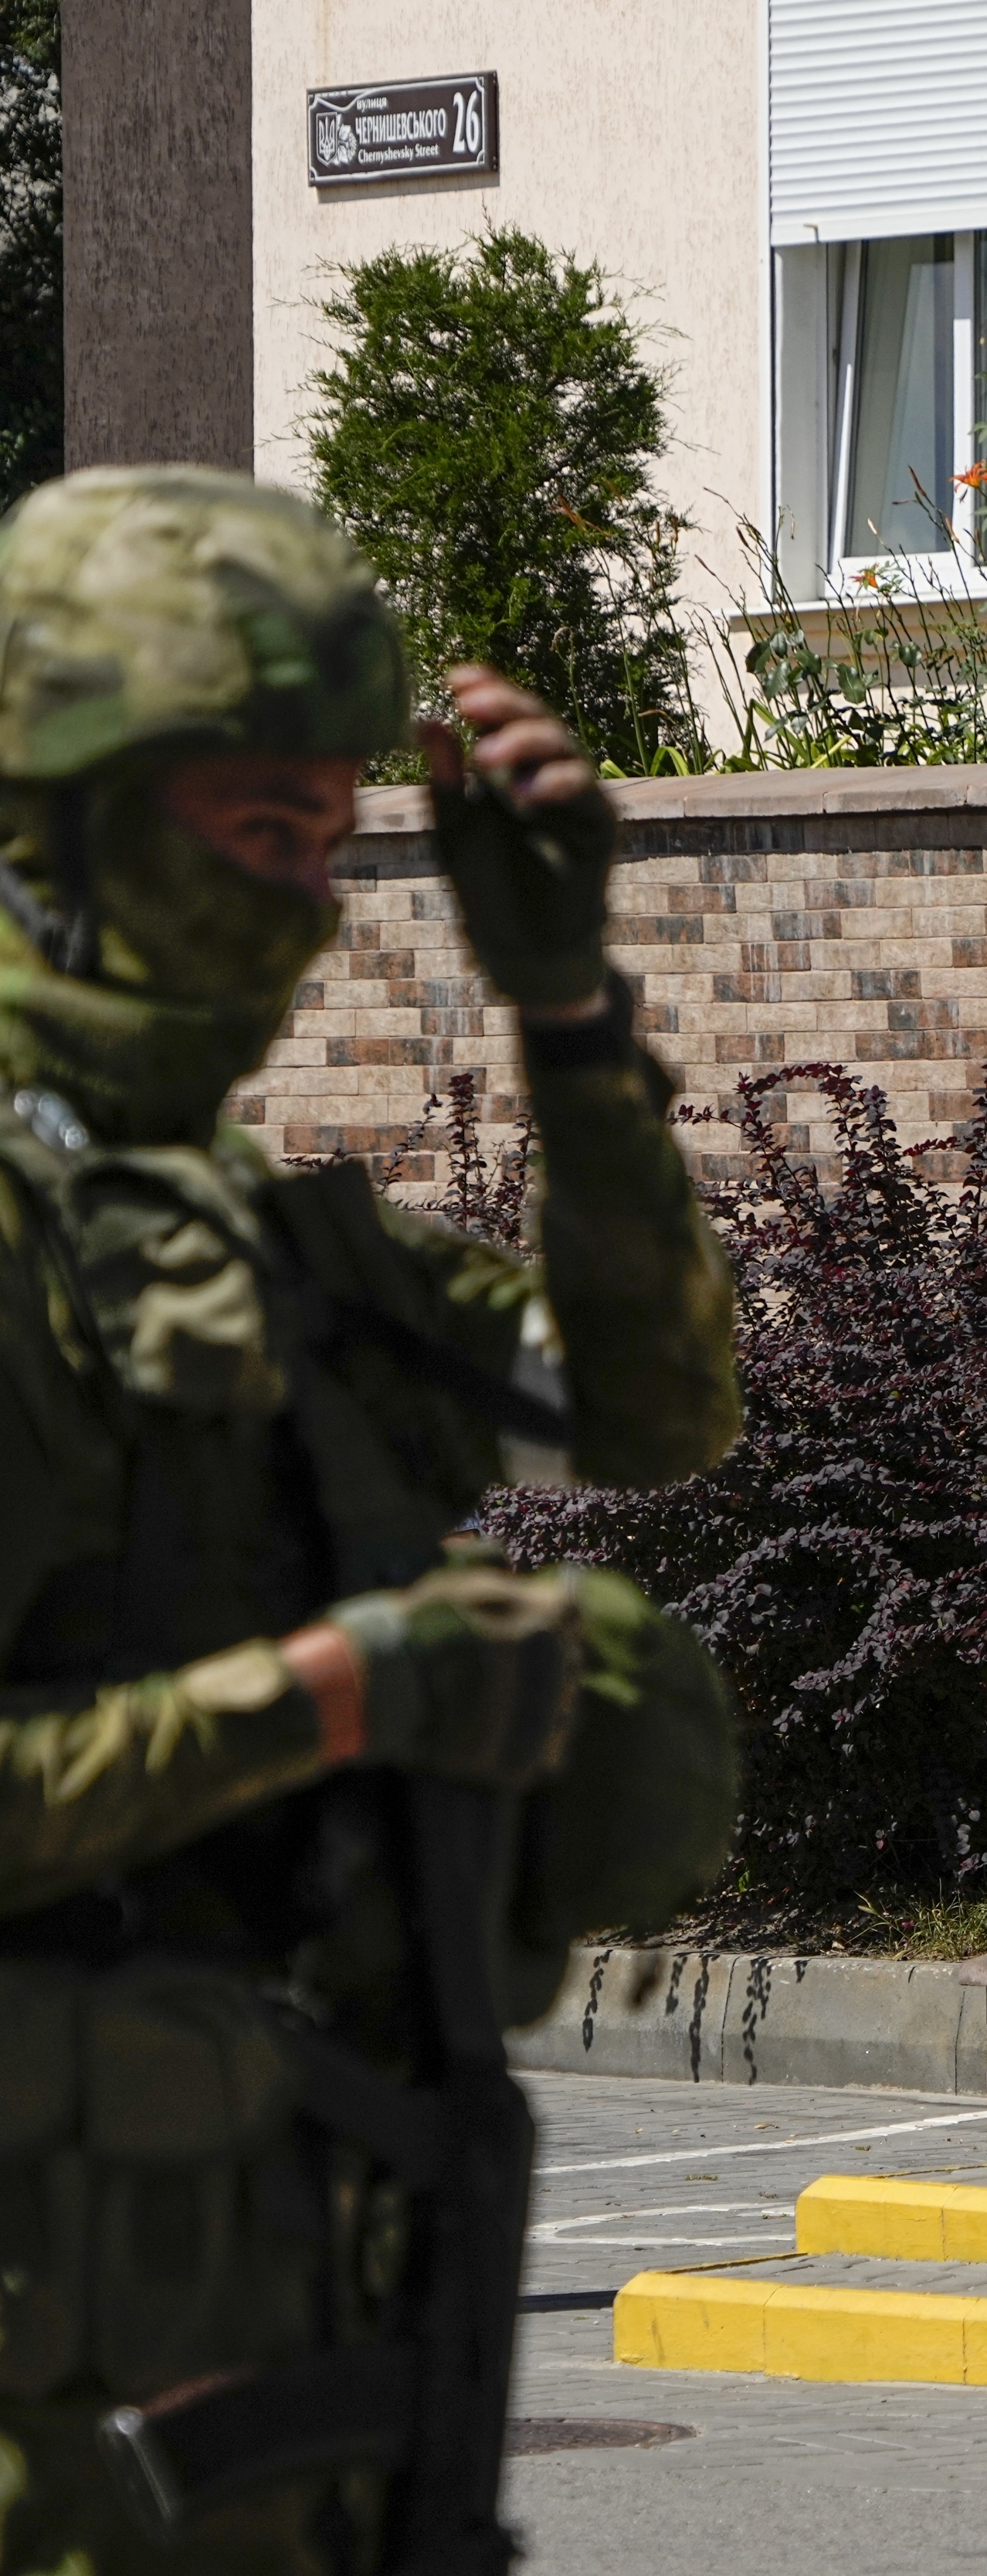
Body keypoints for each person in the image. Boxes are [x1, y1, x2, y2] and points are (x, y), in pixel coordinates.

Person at [0, 468, 743, 2572]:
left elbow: (647, 1402)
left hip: (280, 2370)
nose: (312, 902)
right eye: (260, 832)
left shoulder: (270, 1250)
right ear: (68, 821)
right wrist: (331, 1695)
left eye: (337, 842)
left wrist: (571, 1011)